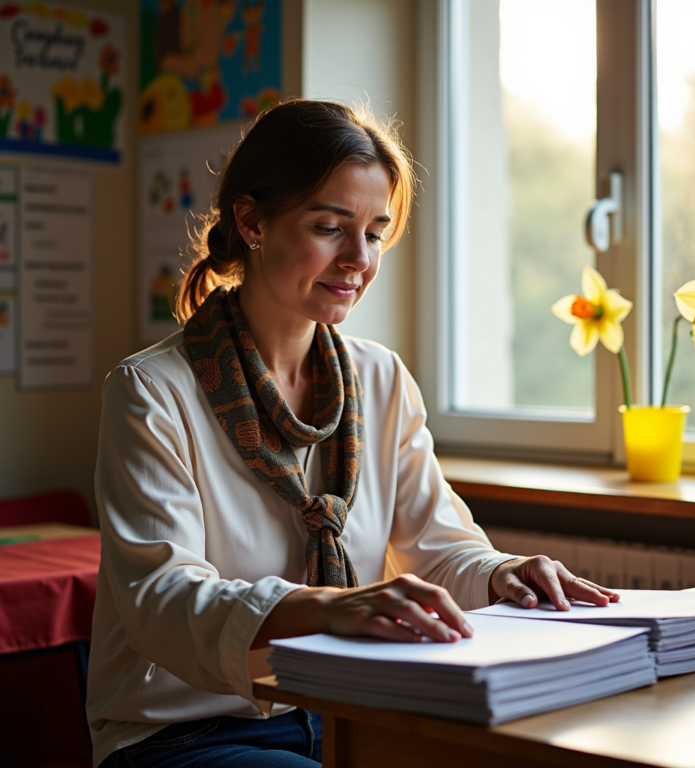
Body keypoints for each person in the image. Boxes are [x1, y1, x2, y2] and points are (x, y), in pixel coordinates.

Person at [87, 99, 618, 768]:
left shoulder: (381, 378)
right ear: (252, 222)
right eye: (330, 228)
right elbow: (162, 601)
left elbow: (440, 552)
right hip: (187, 733)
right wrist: (325, 609)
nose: (358, 260)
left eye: (374, 232)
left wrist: (505, 573)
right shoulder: (151, 391)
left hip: (349, 708)